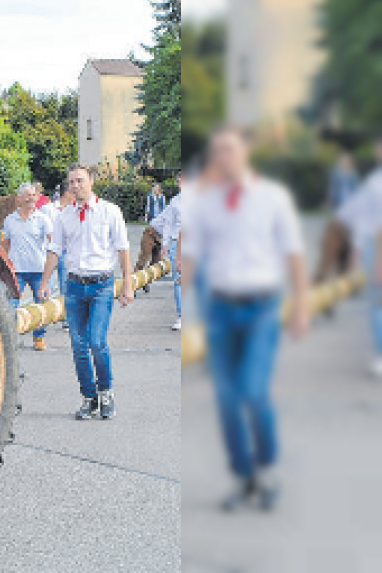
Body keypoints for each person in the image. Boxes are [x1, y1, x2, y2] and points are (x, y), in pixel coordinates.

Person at [180, 126, 309, 512]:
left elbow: (294, 253)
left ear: (245, 153)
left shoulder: (273, 198)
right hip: (221, 310)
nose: (224, 157)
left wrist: (301, 304)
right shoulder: (208, 204)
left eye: (230, 150)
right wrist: (183, 308)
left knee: (252, 391)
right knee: (226, 398)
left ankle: (267, 467)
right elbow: (192, 256)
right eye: (218, 151)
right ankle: (244, 475)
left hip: (261, 309)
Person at [39, 164, 134, 420]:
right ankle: (89, 398)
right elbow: (55, 249)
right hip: (74, 286)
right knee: (78, 345)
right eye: (71, 182)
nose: (76, 186)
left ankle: (106, 392)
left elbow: (123, 249)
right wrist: (45, 282)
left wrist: (128, 284)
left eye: (80, 180)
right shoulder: (64, 216)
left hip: (102, 285)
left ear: (91, 181)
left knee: (96, 341)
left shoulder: (110, 212)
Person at [333, 138, 382, 376]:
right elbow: (361, 221)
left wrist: (358, 248)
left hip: (378, 245)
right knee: (378, 301)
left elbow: (363, 221)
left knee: (378, 302)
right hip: (376, 244)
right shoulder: (373, 182)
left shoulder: (374, 183)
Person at [2, 183, 54, 350]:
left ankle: (38, 337)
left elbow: (53, 242)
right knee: (11, 304)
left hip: (39, 270)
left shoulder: (43, 219)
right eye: (27, 195)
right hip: (16, 270)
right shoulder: (10, 220)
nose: (31, 198)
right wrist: (3, 266)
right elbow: (6, 244)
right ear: (19, 199)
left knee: (42, 303)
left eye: (33, 195)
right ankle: (11, 337)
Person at [150, 172, 183, 330]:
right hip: (178, 242)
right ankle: (182, 315)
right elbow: (168, 225)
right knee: (179, 280)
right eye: (180, 180)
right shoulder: (175, 202)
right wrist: (165, 245)